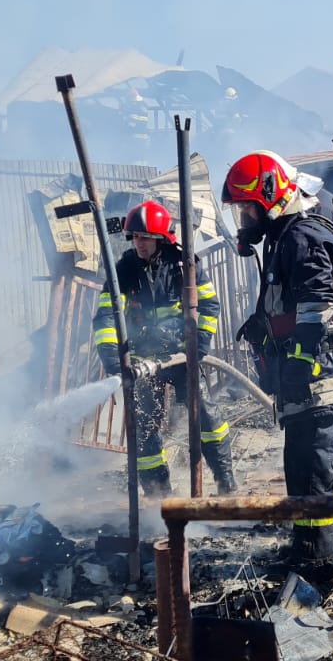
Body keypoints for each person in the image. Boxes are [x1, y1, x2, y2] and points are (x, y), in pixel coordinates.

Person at [223, 150, 333, 576]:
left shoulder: (304, 237)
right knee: (300, 465)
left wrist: (298, 364)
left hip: (319, 378)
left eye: (247, 208)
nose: (245, 219)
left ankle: (321, 562)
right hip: (303, 381)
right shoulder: (286, 236)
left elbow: (317, 307)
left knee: (317, 467)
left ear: (271, 195)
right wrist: (262, 326)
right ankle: (308, 547)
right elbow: (290, 305)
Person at [93, 200, 238, 496]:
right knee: (144, 425)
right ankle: (158, 493)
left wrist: (197, 344)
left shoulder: (185, 264)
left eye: (145, 237)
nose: (139, 243)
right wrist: (112, 358)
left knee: (206, 416)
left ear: (161, 238)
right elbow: (107, 314)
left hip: (181, 355)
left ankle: (225, 480)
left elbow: (209, 305)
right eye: (134, 237)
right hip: (143, 360)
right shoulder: (124, 268)